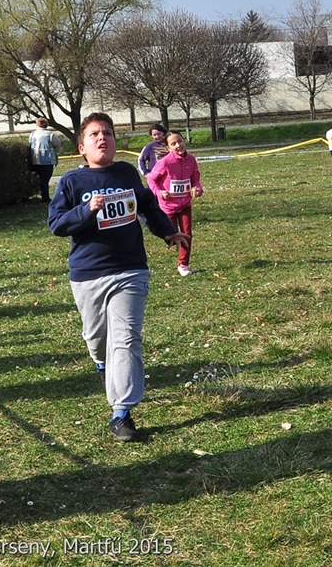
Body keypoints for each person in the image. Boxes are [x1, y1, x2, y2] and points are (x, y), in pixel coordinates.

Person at [48, 112, 190, 442]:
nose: (103, 138)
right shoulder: (72, 182)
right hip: (88, 275)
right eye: (95, 134)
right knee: (98, 342)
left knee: (125, 340)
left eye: (108, 133)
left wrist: (168, 232)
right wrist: (86, 210)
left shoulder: (127, 173)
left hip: (130, 269)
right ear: (82, 147)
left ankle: (122, 413)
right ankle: (102, 366)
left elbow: (148, 207)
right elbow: (56, 224)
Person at [147, 131, 203, 278]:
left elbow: (195, 179)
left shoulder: (191, 160)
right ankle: (171, 238)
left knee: (186, 234)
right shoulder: (165, 162)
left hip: (185, 204)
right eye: (173, 144)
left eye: (180, 141)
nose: (178, 145)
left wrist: (197, 189)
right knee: (171, 236)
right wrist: (159, 193)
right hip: (168, 207)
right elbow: (151, 179)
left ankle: (183, 264)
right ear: (168, 148)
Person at [28, 117, 61, 202]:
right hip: (48, 161)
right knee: (45, 179)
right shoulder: (50, 134)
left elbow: (30, 143)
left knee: (41, 179)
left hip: (35, 160)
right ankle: (45, 197)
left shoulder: (33, 134)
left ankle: (44, 196)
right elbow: (57, 143)